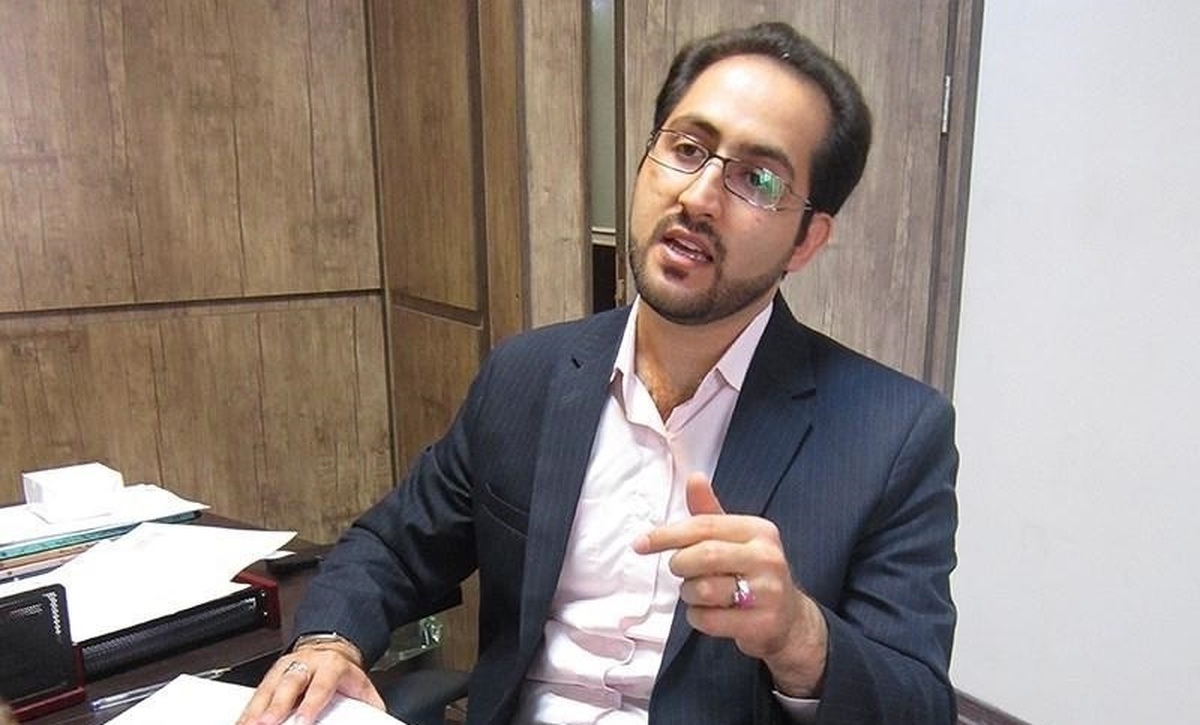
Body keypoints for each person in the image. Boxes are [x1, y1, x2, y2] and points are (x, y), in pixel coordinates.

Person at [239, 21, 957, 725]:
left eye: (757, 179)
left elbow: (919, 703)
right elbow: (394, 546)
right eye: (687, 148)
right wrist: (327, 642)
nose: (699, 196)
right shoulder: (528, 375)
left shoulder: (892, 434)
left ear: (806, 240)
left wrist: (798, 635)